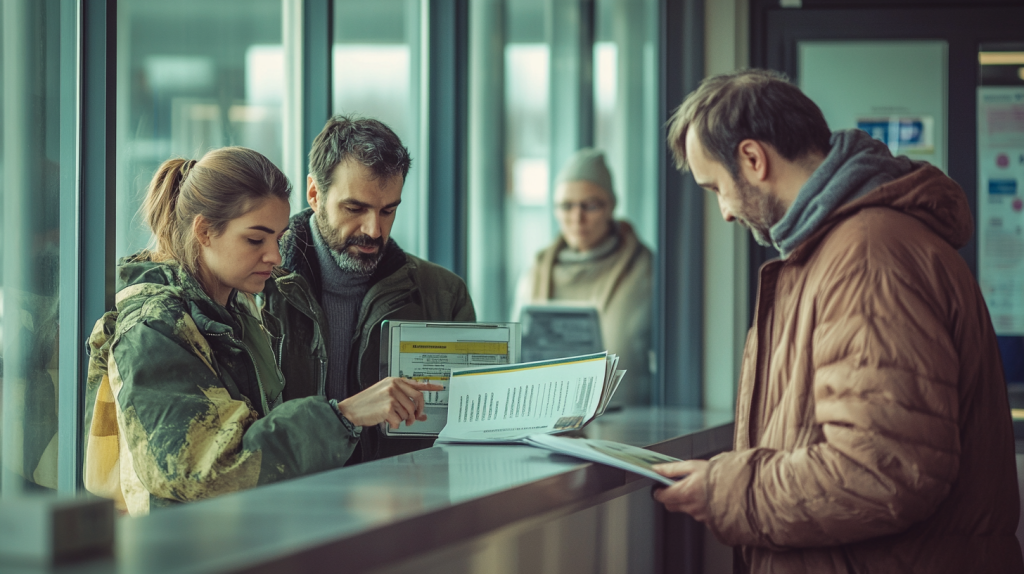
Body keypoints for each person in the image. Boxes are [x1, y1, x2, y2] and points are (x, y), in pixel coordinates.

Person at [652, 69, 1023, 573]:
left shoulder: (868, 257)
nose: (724, 212)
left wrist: (726, 491)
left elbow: (881, 470)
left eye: (717, 187)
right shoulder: (834, 252)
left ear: (753, 159)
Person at [83, 147, 441, 516]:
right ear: (204, 231)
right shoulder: (152, 329)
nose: (275, 255)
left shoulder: (239, 310)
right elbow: (207, 470)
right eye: (256, 239)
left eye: (278, 238)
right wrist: (344, 416)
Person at [275, 116, 475, 464]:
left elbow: (467, 433)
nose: (373, 230)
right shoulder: (259, 288)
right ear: (313, 193)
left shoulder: (444, 294)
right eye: (355, 208)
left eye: (388, 210)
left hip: (400, 500)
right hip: (286, 502)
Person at [513, 148, 653, 405]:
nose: (577, 218)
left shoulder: (644, 270)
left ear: (611, 206)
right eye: (566, 206)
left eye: (590, 205)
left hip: (628, 419)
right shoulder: (537, 272)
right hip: (546, 416)